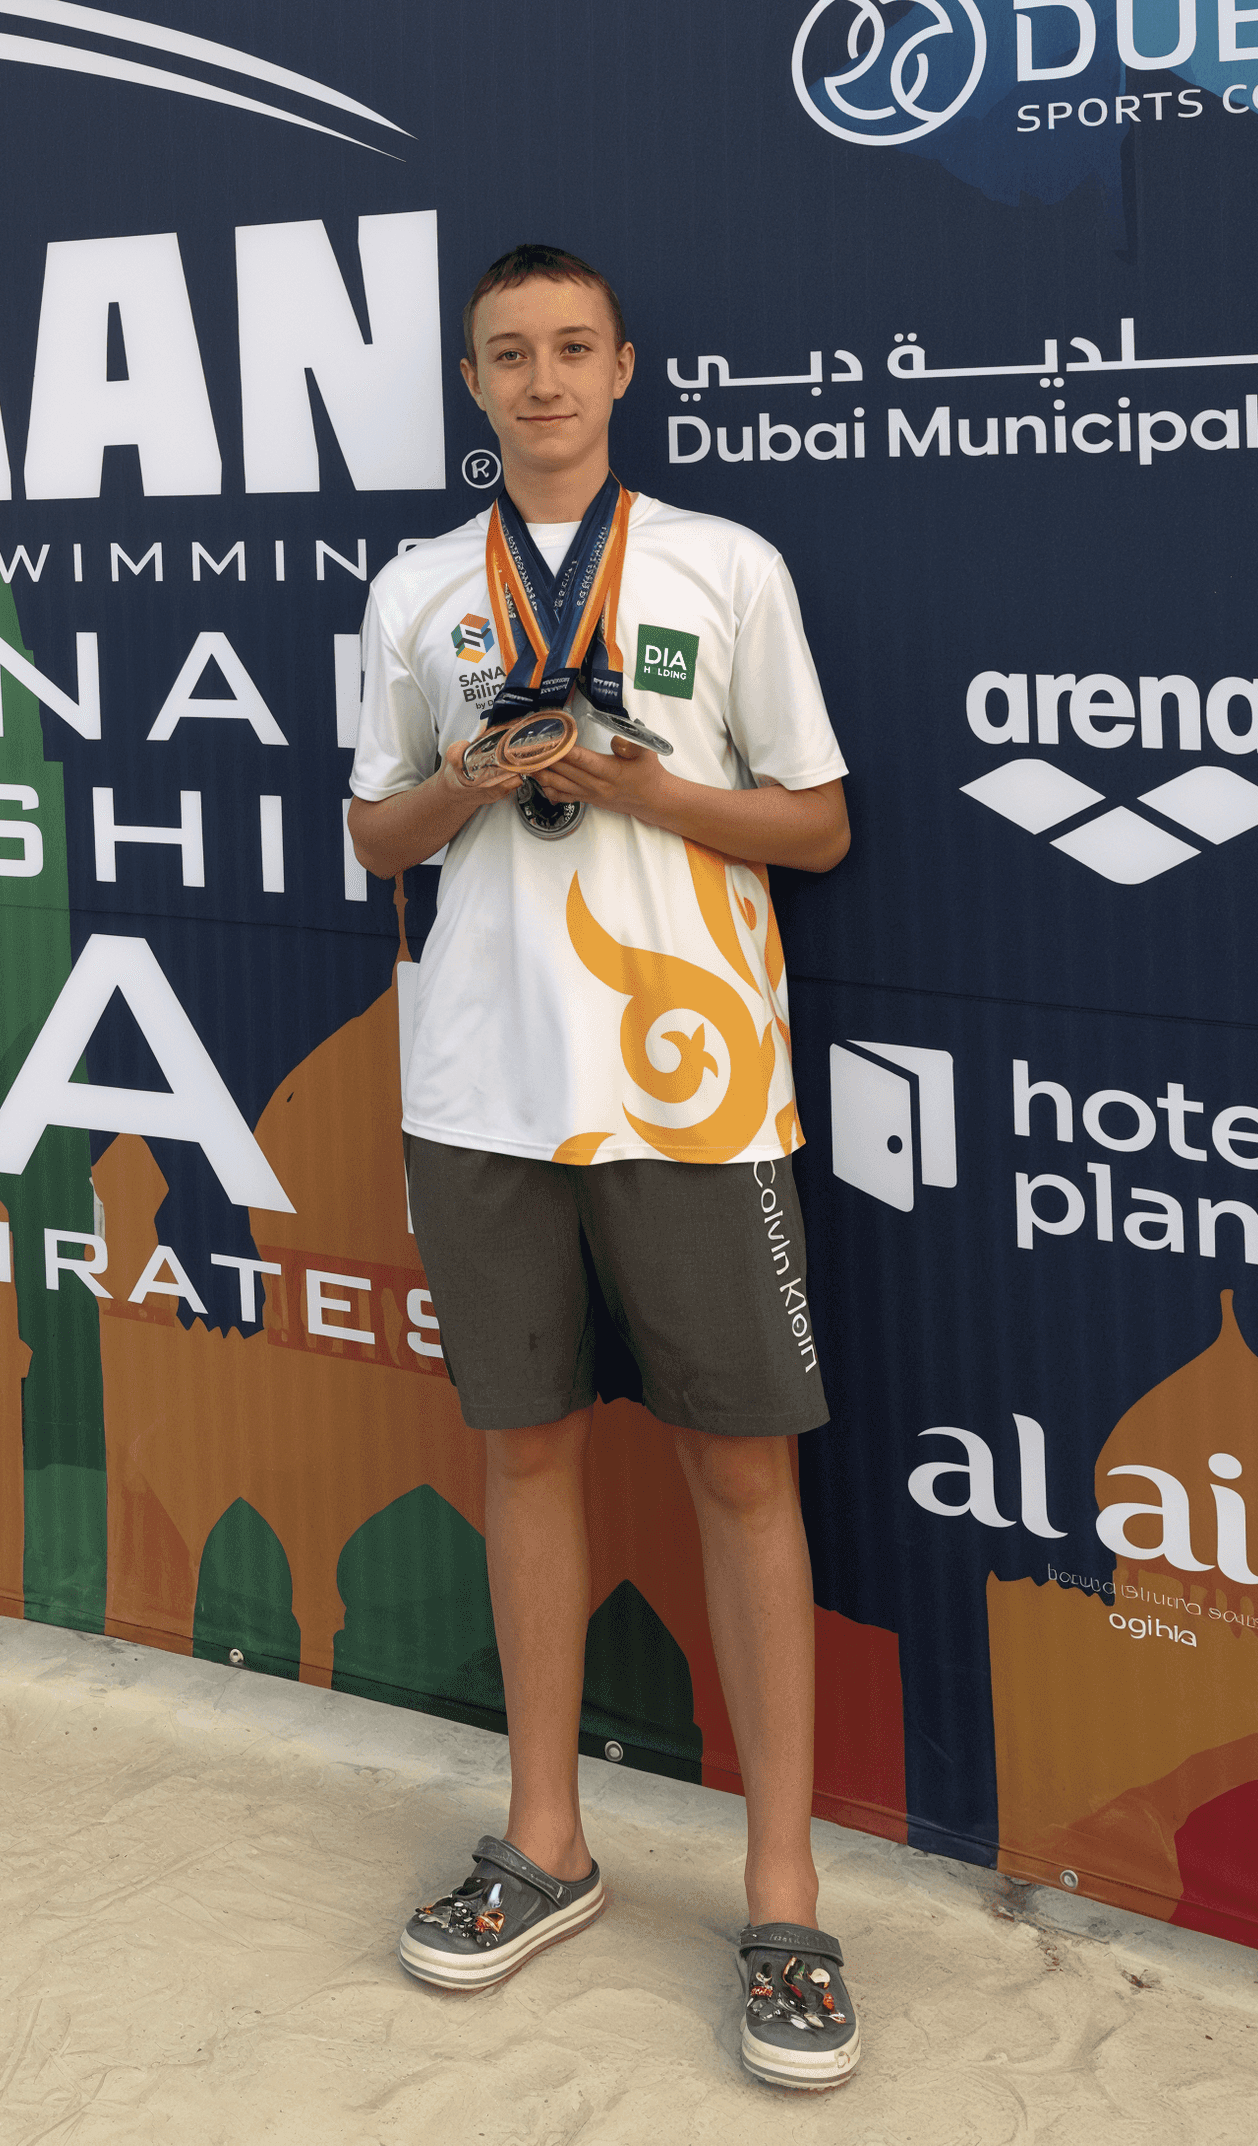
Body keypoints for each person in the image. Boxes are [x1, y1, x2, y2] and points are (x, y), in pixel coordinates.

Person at [345, 241, 859, 2092]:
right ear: (471, 386)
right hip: (482, 1086)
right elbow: (372, 828)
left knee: (742, 1473)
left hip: (695, 1093)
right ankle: (544, 1841)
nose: (543, 380)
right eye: (508, 356)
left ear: (625, 366)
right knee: (526, 1451)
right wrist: (478, 777)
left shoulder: (728, 566)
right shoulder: (417, 590)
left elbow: (814, 823)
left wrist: (647, 788)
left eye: (573, 348)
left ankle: (784, 1896)